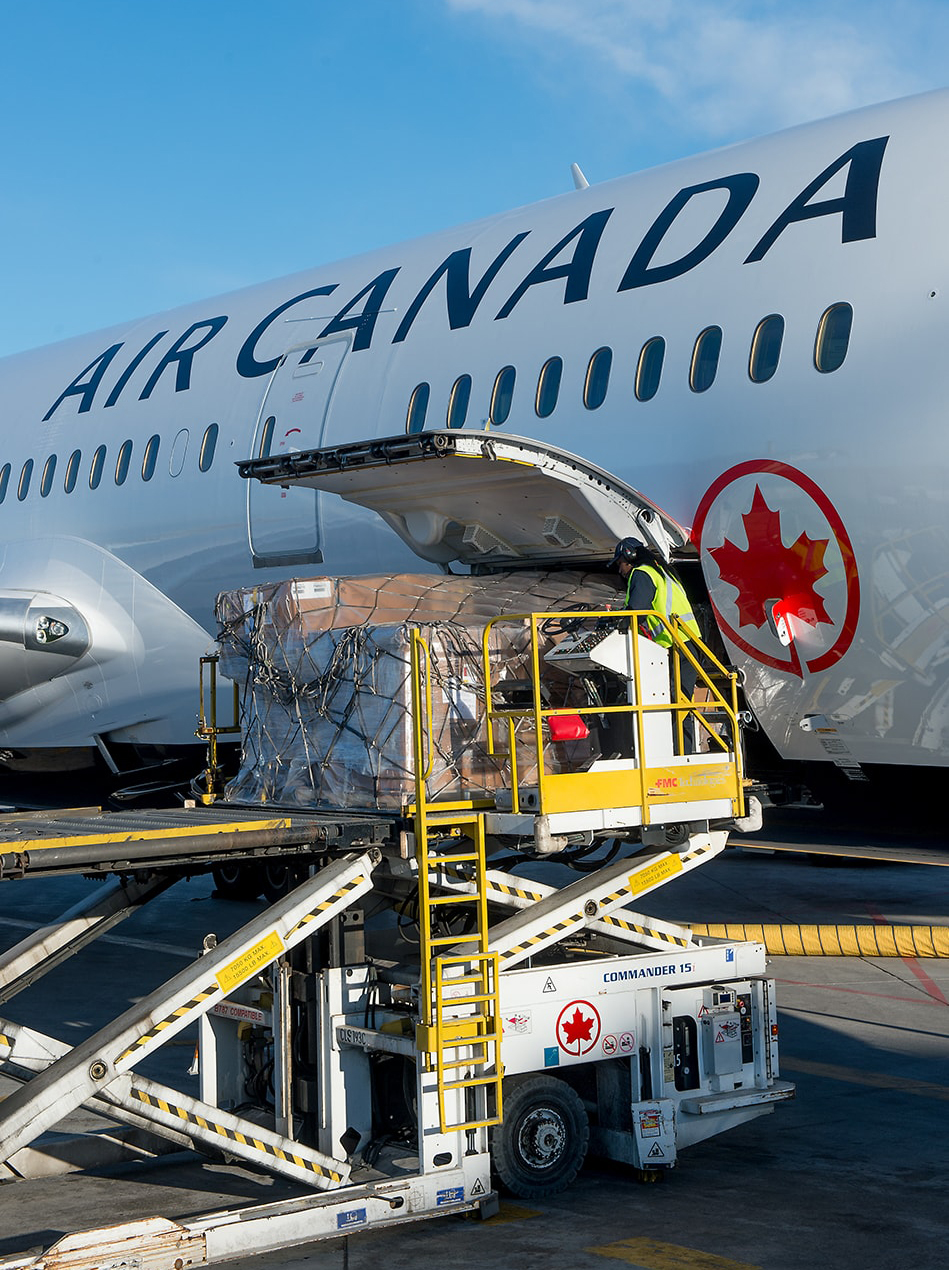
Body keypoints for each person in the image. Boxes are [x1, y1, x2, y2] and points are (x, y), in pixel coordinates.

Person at [610, 537, 701, 750]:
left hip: (676, 644)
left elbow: (638, 611)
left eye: (619, 564)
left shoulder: (641, 574)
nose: (620, 570)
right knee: (680, 704)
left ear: (629, 557)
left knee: (675, 704)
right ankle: (680, 753)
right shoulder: (663, 571)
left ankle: (678, 755)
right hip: (686, 643)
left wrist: (616, 623)